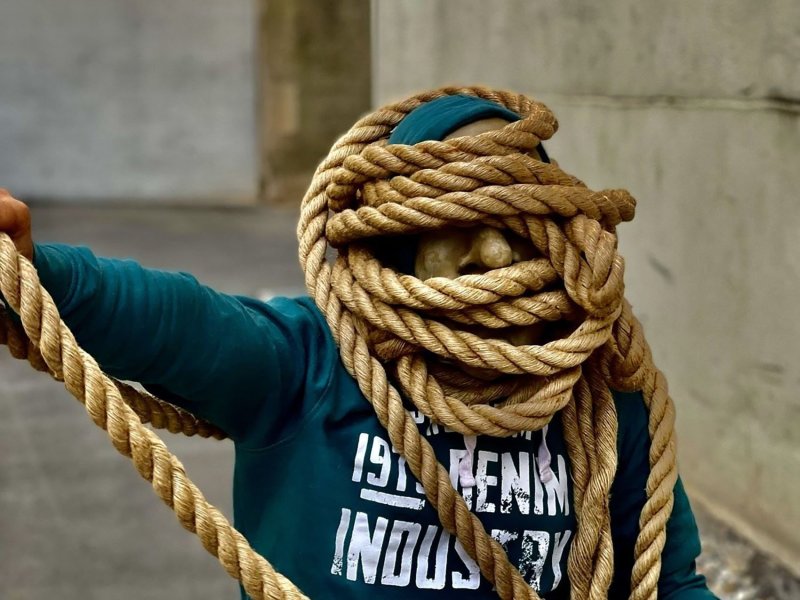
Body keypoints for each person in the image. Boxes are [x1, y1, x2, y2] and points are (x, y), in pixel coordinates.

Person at [0, 89, 717, 599]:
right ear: (394, 241)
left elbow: (668, 581)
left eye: (520, 217)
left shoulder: (602, 401)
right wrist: (38, 272)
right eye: (460, 220)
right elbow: (178, 322)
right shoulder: (309, 364)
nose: (495, 252)